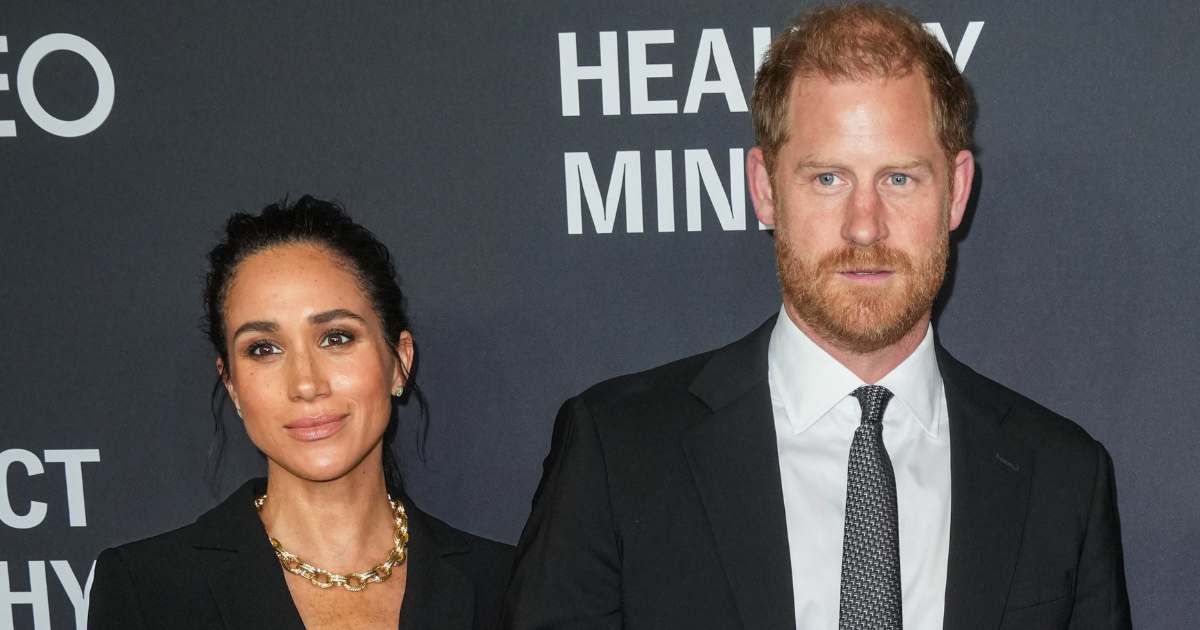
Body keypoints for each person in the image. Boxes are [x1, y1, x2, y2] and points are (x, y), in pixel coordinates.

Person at [502, 4, 1131, 630]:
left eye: (900, 179)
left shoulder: (1062, 477)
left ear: (957, 190)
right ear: (766, 188)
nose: (864, 225)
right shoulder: (617, 454)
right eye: (828, 178)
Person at [89, 196, 513, 629]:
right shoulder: (147, 590)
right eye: (263, 349)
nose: (306, 384)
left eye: (336, 338)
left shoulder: (505, 586)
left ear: (399, 361)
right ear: (232, 384)